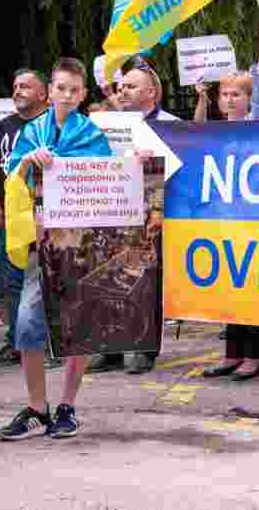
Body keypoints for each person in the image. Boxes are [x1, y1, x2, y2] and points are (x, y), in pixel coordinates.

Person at [0, 57, 113, 441]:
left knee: (76, 325)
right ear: (51, 91)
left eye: (73, 90)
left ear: (82, 95)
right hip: (38, 239)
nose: (66, 95)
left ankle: (67, 406)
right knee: (28, 325)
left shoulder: (94, 135)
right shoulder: (31, 132)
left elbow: (104, 177)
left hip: (77, 242)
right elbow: (13, 174)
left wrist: (62, 162)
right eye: (60, 88)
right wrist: (30, 161)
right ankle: (36, 407)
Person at [86, 59, 180, 375]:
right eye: (122, 85)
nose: (123, 90)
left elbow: (180, 172)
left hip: (151, 214)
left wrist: (152, 164)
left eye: (131, 85)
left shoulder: (171, 124)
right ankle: (110, 348)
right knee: (110, 280)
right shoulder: (110, 124)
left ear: (151, 92)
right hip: (113, 211)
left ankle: (143, 349)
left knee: (145, 283)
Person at [199, 18, 259, 382]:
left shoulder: (256, 125)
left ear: (247, 101)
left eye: (237, 95)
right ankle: (232, 352)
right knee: (227, 285)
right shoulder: (216, 132)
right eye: (225, 94)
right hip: (222, 217)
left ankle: (252, 357)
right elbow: (192, 137)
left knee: (252, 287)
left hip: (253, 216)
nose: (230, 99)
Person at [0, 69, 49, 368]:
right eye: (15, 86)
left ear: (42, 93)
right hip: (13, 218)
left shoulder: (53, 125)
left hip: (45, 218)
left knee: (45, 282)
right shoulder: (5, 126)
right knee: (13, 282)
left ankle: (49, 343)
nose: (17, 91)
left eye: (25, 86)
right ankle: (16, 342)